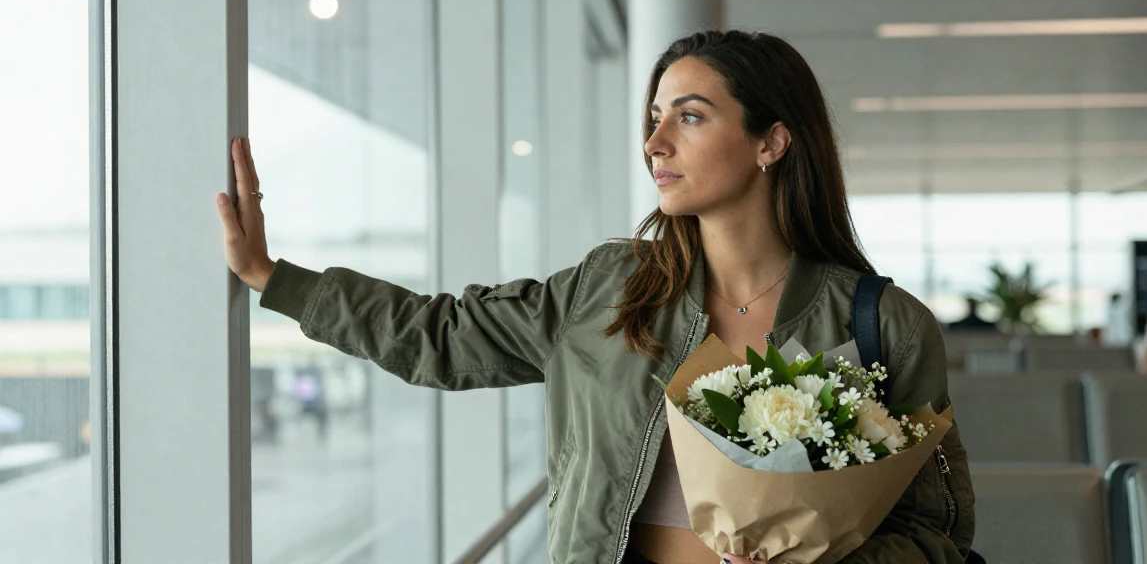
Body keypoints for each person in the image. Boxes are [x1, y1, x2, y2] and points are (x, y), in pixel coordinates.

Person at [216, 30, 975, 564]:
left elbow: (937, 536)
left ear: (771, 142)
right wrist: (274, 278)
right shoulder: (609, 292)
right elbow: (441, 336)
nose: (655, 144)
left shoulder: (882, 325)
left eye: (689, 116)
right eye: (654, 119)